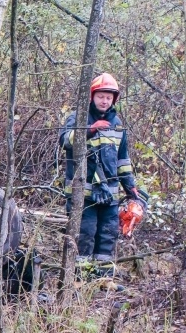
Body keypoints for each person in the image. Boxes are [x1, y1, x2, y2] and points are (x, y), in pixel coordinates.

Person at [59, 72, 141, 277]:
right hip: (82, 194)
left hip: (110, 195)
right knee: (85, 234)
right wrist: (89, 130)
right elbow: (64, 140)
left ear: (114, 99)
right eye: (100, 96)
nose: (104, 101)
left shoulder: (118, 124)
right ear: (92, 96)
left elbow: (123, 160)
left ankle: (102, 279)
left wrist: (130, 187)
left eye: (108, 97)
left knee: (107, 236)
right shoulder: (78, 118)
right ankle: (79, 280)